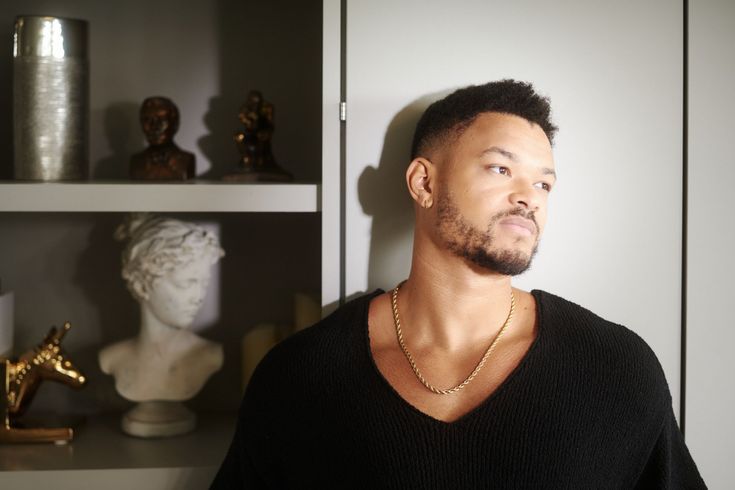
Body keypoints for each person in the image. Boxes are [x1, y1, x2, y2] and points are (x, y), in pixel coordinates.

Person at [211, 80, 706, 488]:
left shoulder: (616, 368)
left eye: (543, 183)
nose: (528, 198)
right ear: (423, 183)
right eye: (500, 168)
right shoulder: (302, 376)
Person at [99, 213, 224, 437]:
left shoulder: (211, 355)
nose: (198, 297)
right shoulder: (111, 359)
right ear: (142, 284)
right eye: (186, 283)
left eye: (203, 284)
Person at [129, 96, 196, 180]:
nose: (154, 126)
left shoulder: (186, 159)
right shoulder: (136, 161)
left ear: (175, 124)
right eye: (147, 120)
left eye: (162, 120)